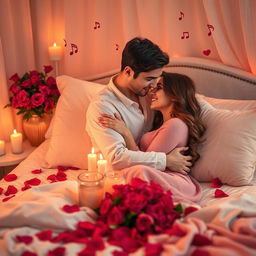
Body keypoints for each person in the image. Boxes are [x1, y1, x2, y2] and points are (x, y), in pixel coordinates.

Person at [86, 37, 192, 177]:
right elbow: (117, 158)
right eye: (149, 79)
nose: (154, 85)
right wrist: (166, 160)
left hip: (154, 176)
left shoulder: (150, 95)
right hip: (122, 180)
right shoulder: (103, 107)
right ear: (128, 71)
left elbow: (183, 96)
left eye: (157, 79)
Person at [98, 72, 206, 203]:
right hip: (159, 175)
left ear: (174, 95)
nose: (152, 92)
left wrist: (126, 132)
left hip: (171, 180)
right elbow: (147, 160)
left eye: (159, 87)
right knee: (136, 171)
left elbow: (148, 163)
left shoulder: (175, 124)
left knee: (139, 171)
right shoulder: (164, 123)